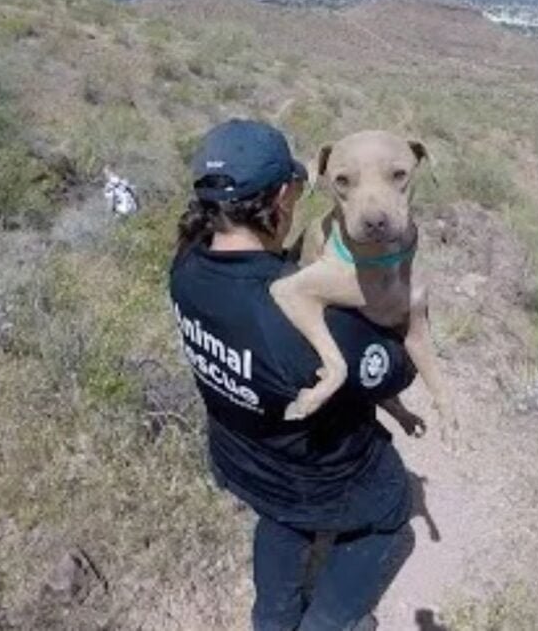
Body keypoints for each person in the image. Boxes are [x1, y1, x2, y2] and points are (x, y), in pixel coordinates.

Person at [169, 119, 419, 630]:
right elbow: (394, 372)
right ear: (284, 196)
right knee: (393, 520)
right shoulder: (305, 318)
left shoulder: (187, 265)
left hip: (243, 459)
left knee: (281, 519)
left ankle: (272, 619)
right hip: (326, 479)